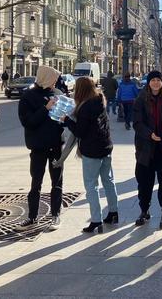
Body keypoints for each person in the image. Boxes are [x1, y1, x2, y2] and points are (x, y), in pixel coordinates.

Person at [64, 77, 118, 234]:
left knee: (91, 186)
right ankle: (113, 213)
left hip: (91, 151)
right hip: (106, 147)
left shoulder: (85, 107)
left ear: (80, 89)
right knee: (109, 181)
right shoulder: (100, 100)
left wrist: (67, 120)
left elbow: (80, 131)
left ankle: (96, 220)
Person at [16, 66, 64, 231]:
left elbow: (63, 120)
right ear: (45, 77)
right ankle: (31, 217)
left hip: (57, 145)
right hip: (38, 147)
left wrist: (67, 115)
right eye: (54, 78)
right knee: (36, 182)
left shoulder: (58, 94)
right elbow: (28, 122)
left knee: (57, 182)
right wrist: (46, 108)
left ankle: (56, 215)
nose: (56, 81)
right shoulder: (28, 97)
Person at [132, 70, 162, 229]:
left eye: (158, 80)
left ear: (161, 82)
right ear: (148, 82)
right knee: (144, 182)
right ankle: (144, 211)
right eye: (153, 80)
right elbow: (137, 123)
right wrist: (149, 134)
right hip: (146, 148)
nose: (156, 83)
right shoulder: (140, 100)